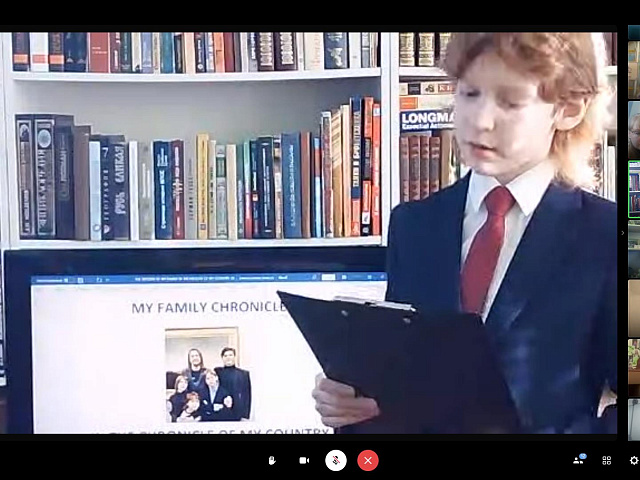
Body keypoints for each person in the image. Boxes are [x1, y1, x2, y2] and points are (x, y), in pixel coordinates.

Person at [313, 32, 616, 434]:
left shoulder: (608, 237)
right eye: (469, 93)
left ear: (569, 108)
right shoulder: (415, 225)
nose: (480, 120)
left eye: (510, 102)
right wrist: (351, 404)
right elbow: (400, 384)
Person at [215, 347, 252, 420]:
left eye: (230, 355)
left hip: (238, 412)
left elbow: (247, 395)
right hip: (220, 411)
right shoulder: (217, 372)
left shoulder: (244, 374)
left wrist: (245, 415)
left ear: (235, 357)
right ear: (222, 358)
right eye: (225, 356)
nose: (228, 357)